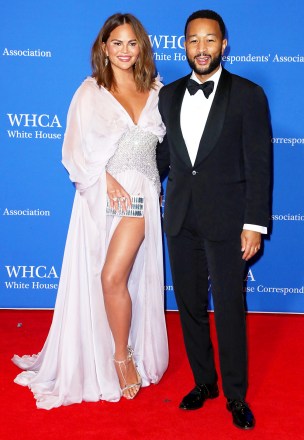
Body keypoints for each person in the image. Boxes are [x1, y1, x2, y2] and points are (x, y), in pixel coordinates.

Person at [12, 13, 168, 409]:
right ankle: (110, 352)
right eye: (117, 43)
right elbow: (73, 150)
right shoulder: (90, 90)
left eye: (132, 43)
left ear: (142, 47)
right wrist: (105, 178)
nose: (125, 51)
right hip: (102, 194)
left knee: (113, 275)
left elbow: (165, 150)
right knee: (105, 273)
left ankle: (121, 355)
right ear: (103, 47)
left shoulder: (156, 89)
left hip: (141, 196)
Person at [157, 9, 271, 430]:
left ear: (224, 45)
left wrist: (254, 224)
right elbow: (166, 158)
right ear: (183, 45)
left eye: (209, 40)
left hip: (228, 220)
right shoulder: (167, 96)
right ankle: (204, 382)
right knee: (189, 306)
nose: (201, 48)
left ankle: (235, 395)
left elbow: (259, 164)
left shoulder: (248, 94)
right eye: (193, 40)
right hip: (181, 217)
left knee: (227, 307)